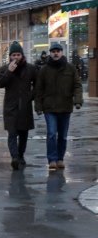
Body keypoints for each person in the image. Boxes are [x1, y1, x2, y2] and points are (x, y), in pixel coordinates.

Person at [35, 42, 83, 170]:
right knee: (51, 133)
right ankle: (52, 159)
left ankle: (60, 159)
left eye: (58, 51)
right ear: (50, 53)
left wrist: (78, 100)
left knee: (62, 135)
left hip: (65, 106)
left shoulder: (70, 68)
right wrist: (38, 106)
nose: (56, 53)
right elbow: (38, 89)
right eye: (53, 51)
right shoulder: (44, 70)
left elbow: (77, 85)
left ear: (62, 52)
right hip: (49, 107)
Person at [0, 41, 38, 171]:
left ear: (22, 55)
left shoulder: (31, 69)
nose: (16, 57)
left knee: (23, 134)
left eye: (18, 54)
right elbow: (0, 84)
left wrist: (30, 96)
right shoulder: (4, 68)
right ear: (10, 56)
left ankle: (20, 155)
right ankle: (14, 158)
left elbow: (38, 85)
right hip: (10, 107)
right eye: (13, 55)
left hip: (24, 107)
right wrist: (9, 72)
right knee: (12, 133)